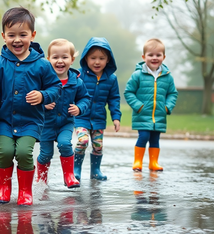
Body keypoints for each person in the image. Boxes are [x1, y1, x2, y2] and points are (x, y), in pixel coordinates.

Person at [0, 7, 61, 206]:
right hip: (4, 121)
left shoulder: (42, 64)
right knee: (6, 151)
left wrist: (43, 95)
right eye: (11, 35)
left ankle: (25, 191)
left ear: (32, 35)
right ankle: (4, 187)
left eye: (23, 35)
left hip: (30, 121)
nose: (17, 40)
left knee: (24, 152)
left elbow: (55, 87)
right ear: (3, 36)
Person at [36, 39, 91, 189]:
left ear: (72, 60)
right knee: (46, 154)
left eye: (64, 57)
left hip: (66, 122)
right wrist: (43, 102)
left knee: (65, 144)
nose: (60, 61)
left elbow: (85, 98)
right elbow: (33, 97)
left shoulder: (77, 82)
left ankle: (69, 175)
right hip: (46, 124)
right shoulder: (44, 80)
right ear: (48, 60)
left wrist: (79, 108)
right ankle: (41, 179)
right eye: (55, 57)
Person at [124, 38, 178, 172]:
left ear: (163, 57)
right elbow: (129, 92)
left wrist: (167, 107)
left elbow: (172, 93)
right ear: (144, 57)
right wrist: (138, 106)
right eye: (151, 55)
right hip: (142, 114)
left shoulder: (167, 77)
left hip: (159, 115)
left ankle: (153, 162)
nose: (155, 58)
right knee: (144, 136)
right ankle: (138, 161)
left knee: (155, 139)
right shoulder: (137, 75)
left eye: (158, 55)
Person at [73, 37, 121, 182]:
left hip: (99, 119)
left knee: (98, 146)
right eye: (93, 58)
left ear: (108, 60)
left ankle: (95, 171)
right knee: (83, 141)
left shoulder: (111, 79)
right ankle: (76, 169)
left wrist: (116, 117)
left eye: (102, 58)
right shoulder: (78, 75)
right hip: (81, 117)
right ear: (86, 58)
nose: (97, 62)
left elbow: (114, 99)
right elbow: (71, 93)